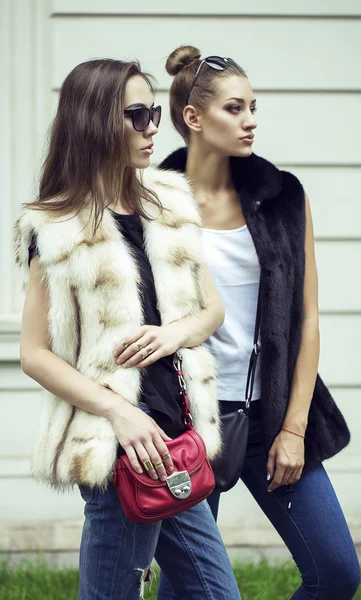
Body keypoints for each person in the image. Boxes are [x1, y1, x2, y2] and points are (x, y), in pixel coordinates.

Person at [15, 58, 242, 600]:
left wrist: (173, 334)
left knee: (216, 593)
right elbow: (34, 353)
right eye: (136, 115)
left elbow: (211, 310)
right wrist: (119, 412)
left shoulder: (171, 204)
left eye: (154, 113)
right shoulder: (55, 226)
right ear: (95, 121)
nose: (152, 128)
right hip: (119, 449)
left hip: (176, 438)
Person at [157, 46, 361, 600]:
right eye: (234, 108)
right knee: (192, 592)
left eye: (253, 107)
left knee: (337, 572)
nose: (250, 121)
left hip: (271, 414)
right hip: (186, 423)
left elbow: (308, 318)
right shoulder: (151, 205)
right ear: (194, 119)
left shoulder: (283, 196)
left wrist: (293, 428)